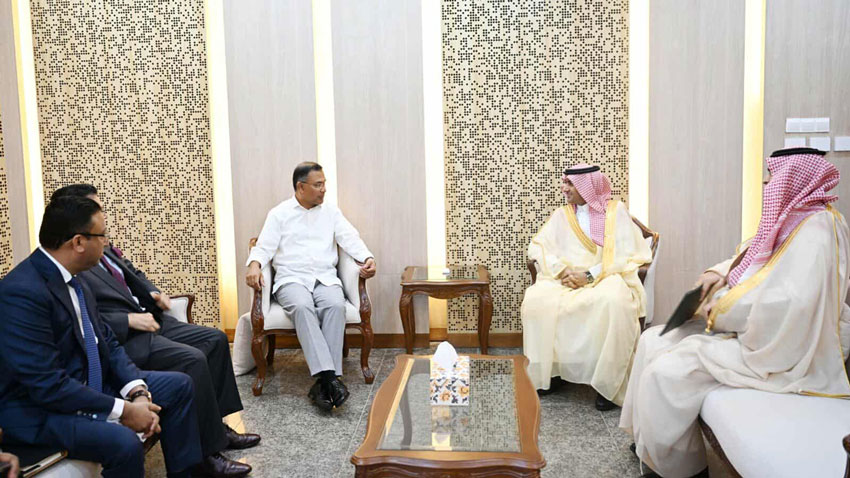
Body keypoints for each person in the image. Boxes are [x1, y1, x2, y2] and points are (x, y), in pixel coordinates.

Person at [619, 147, 850, 478]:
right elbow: (751, 255)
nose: (767, 185)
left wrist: (721, 310)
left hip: (780, 349)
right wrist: (715, 274)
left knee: (665, 374)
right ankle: (647, 442)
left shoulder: (819, 231)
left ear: (793, 180)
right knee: (651, 340)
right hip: (748, 327)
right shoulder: (792, 219)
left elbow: (790, 303)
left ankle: (679, 470)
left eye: (773, 177)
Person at [50, 184, 257, 478]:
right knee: (192, 360)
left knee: (215, 339)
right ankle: (206, 454)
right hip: (131, 335)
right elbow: (89, 318)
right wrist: (129, 321)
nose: (103, 216)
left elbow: (132, 274)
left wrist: (154, 293)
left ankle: (217, 429)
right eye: (96, 210)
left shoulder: (103, 248)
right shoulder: (76, 263)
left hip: (153, 319)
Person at [0, 196, 202, 478]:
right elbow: (47, 385)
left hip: (89, 386)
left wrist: (138, 393)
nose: (107, 242)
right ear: (78, 242)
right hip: (40, 411)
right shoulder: (22, 292)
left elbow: (108, 343)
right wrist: (125, 411)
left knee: (179, 386)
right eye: (102, 235)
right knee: (124, 443)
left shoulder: (77, 278)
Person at [246, 161, 376, 411]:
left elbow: (350, 238)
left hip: (325, 277)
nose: (324, 189)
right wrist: (254, 265)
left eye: (324, 184)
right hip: (291, 279)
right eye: (318, 185)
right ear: (300, 187)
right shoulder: (279, 214)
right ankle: (330, 378)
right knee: (302, 307)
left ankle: (323, 383)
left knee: (336, 305)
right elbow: (263, 247)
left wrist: (367, 258)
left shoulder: (331, 212)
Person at [521, 164, 652, 410]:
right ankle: (550, 375)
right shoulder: (561, 215)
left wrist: (589, 276)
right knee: (536, 300)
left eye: (570, 184)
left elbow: (628, 253)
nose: (564, 188)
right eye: (564, 182)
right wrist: (562, 271)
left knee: (614, 302)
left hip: (605, 276)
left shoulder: (616, 212)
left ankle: (609, 385)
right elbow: (538, 246)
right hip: (564, 278)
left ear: (587, 186)